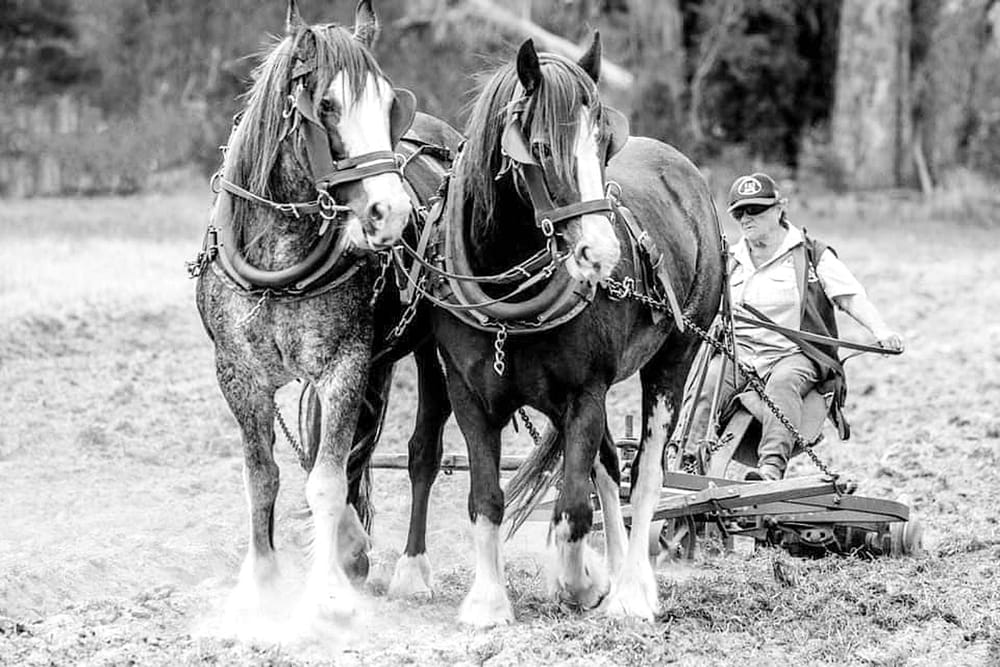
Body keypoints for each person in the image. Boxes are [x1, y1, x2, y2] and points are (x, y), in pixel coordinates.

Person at [684, 172, 904, 481]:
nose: (746, 218)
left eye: (755, 209)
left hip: (793, 354)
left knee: (783, 382)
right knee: (707, 382)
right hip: (740, 354)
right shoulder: (728, 258)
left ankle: (771, 468)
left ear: (779, 209)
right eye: (739, 212)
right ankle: (686, 461)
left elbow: (851, 297)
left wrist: (881, 331)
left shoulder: (812, 254)